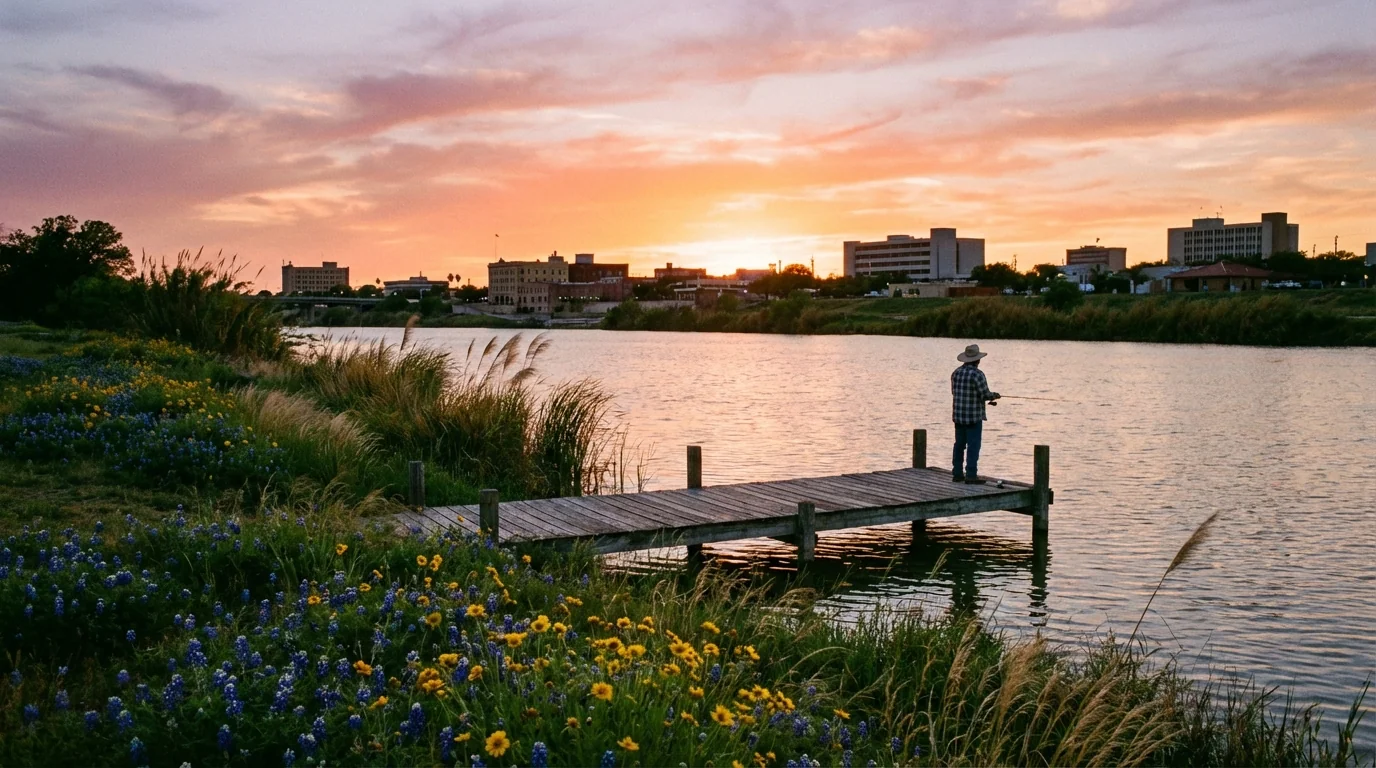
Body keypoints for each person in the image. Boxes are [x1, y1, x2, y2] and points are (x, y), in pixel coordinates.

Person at [950, 344, 1000, 484]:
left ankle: (957, 474)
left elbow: (954, 392)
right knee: (973, 446)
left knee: (959, 444)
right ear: (977, 360)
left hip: (958, 416)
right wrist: (994, 396)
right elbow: (985, 394)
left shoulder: (956, 373)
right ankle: (971, 475)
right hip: (973, 417)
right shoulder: (978, 374)